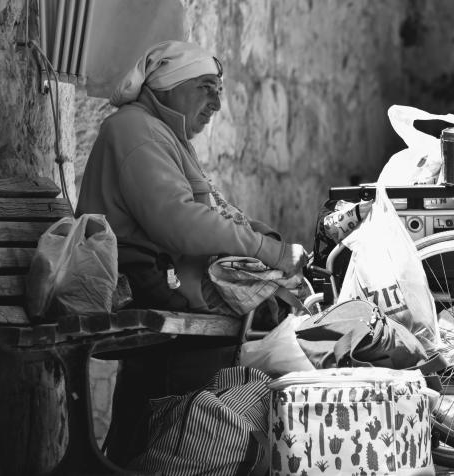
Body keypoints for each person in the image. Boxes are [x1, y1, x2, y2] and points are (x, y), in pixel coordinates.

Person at [76, 40, 307, 465]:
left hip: (164, 280)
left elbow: (211, 210)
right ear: (166, 85)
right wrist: (264, 250)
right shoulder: (133, 129)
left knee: (272, 315)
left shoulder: (164, 134)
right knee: (244, 330)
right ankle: (173, 451)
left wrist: (264, 238)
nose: (217, 102)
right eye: (205, 87)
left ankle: (170, 448)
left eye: (219, 89)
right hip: (139, 282)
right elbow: (178, 222)